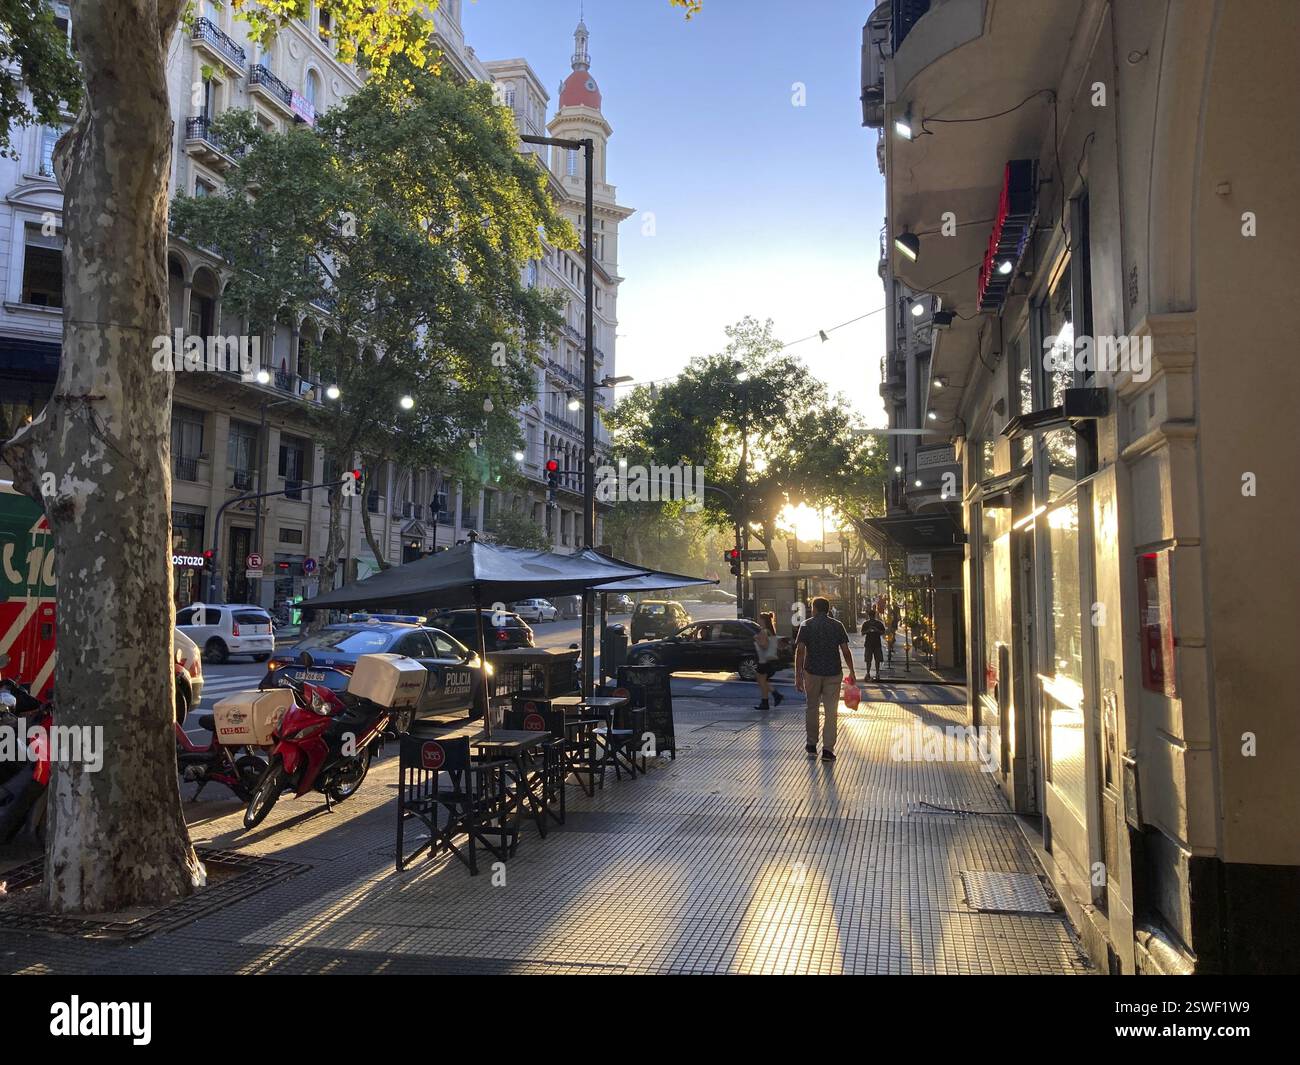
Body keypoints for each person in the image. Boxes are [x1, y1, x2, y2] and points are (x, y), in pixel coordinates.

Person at [794, 596, 855, 761]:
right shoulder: (837, 625)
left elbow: (800, 651)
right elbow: (845, 650)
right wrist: (852, 671)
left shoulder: (806, 625)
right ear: (828, 610)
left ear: (814, 608)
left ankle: (811, 745)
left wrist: (798, 675)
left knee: (812, 708)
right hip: (833, 673)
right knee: (831, 712)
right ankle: (828, 750)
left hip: (812, 672)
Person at [753, 611, 784, 711]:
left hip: (763, 660)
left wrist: (756, 639)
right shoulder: (771, 630)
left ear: (763, 620)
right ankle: (765, 702)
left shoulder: (764, 631)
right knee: (762, 681)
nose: (758, 621)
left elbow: (764, 645)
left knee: (761, 681)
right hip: (768, 660)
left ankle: (775, 695)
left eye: (759, 619)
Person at [860, 609, 886, 682]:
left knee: (876, 659)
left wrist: (876, 630)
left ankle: (876, 673)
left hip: (875, 643)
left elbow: (883, 632)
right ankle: (869, 673)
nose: (871, 617)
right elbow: (862, 633)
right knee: (869, 660)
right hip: (869, 644)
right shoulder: (866, 624)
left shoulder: (878, 623)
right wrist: (868, 630)